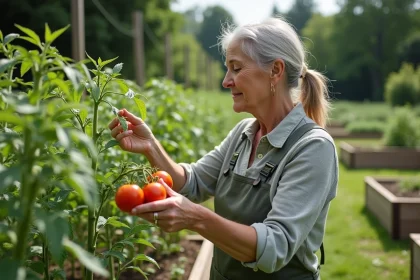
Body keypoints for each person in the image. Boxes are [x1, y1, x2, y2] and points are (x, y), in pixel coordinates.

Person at [109, 17, 338, 280]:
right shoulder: (243, 133)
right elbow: (193, 182)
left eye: (236, 68)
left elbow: (275, 246)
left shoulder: (312, 148)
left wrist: (197, 219)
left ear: (275, 70)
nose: (226, 81)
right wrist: (151, 147)